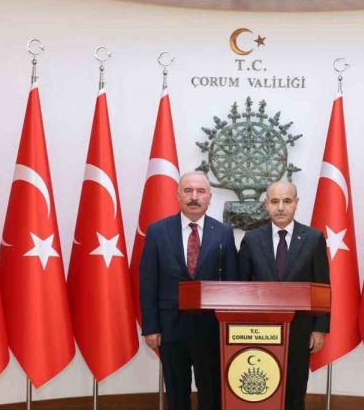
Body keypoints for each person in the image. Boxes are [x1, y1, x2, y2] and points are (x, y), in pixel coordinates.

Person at [140, 171, 238, 410]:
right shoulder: (157, 231)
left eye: (201, 191)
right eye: (188, 191)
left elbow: (232, 283)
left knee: (211, 395)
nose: (194, 197)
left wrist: (230, 328)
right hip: (170, 328)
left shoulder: (224, 232)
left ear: (210, 197)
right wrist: (151, 327)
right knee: (176, 395)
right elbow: (148, 282)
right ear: (178, 195)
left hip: (211, 329)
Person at [238, 181, 330, 410]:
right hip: (258, 331)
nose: (280, 207)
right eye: (275, 201)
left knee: (294, 392)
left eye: (287, 201)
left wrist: (320, 328)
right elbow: (241, 287)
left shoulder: (313, 239)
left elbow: (322, 287)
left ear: (296, 203)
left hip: (300, 330)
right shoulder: (251, 239)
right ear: (266, 204)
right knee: (262, 390)